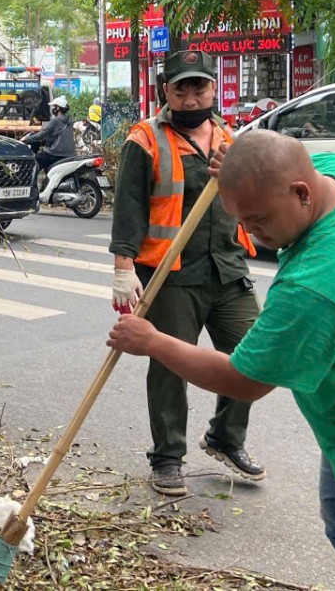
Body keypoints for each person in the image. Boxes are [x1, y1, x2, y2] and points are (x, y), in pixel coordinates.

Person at [108, 130, 335, 591]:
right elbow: (284, 161)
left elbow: (244, 380)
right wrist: (240, 169)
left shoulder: (317, 284)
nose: (252, 234)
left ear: (300, 194)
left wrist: (154, 341)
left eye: (257, 220)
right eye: (241, 220)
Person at [109, 49, 261, 497]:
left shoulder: (229, 140)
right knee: (171, 364)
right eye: (182, 88)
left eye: (200, 87)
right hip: (170, 272)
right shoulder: (145, 140)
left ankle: (225, 438)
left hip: (226, 267)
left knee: (251, 355)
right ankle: (168, 457)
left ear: (213, 89)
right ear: (166, 92)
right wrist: (123, 268)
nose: (192, 97)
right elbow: (129, 209)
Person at [26, 94, 74, 177]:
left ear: (58, 108)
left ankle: (32, 185)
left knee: (34, 163)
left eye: (54, 106)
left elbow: (41, 134)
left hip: (55, 153)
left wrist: (27, 138)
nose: (52, 109)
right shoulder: (69, 121)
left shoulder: (55, 121)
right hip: (69, 153)